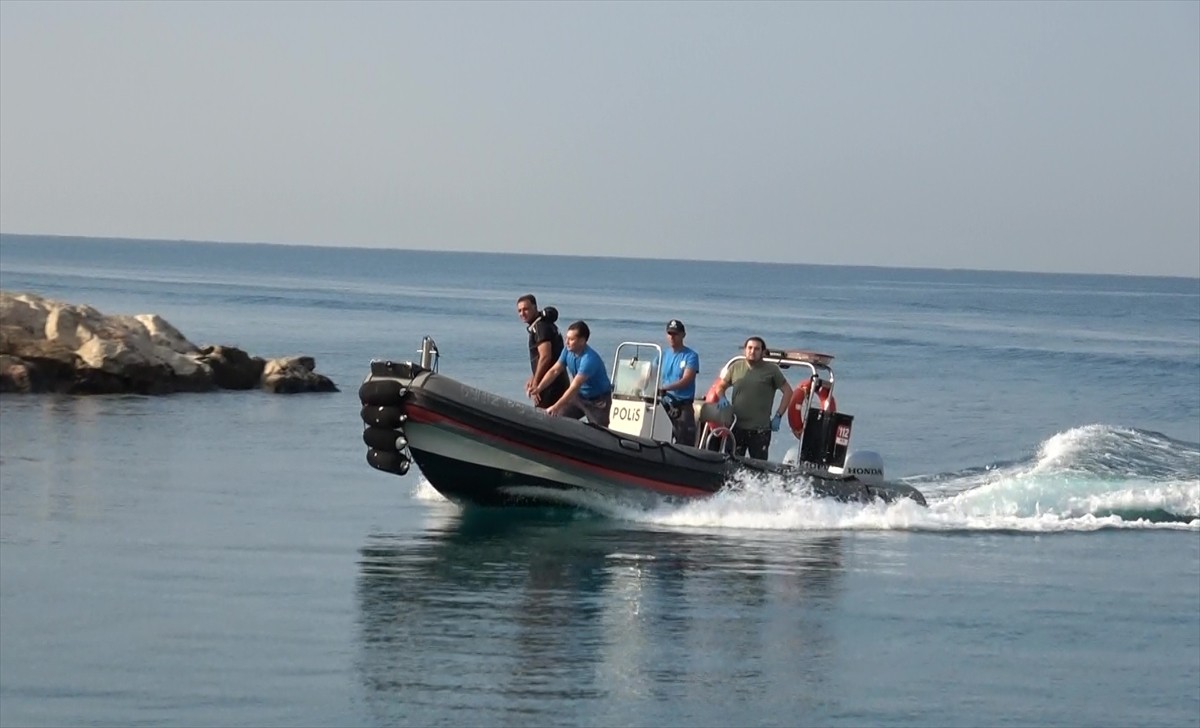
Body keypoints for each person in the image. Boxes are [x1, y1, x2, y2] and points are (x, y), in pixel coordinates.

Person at [711, 336, 792, 460]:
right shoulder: (736, 367)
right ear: (745, 350)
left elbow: (788, 392)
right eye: (749, 348)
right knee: (730, 463)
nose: (752, 351)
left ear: (763, 352)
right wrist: (722, 398)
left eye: (756, 349)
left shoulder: (772, 370)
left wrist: (779, 415)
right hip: (736, 427)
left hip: (760, 431)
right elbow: (720, 386)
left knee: (759, 468)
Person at [532, 320, 613, 427]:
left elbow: (574, 386)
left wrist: (555, 406)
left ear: (582, 341)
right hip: (579, 396)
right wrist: (538, 388)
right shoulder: (567, 351)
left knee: (600, 432)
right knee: (558, 417)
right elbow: (554, 371)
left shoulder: (589, 360)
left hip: (598, 401)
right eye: (567, 338)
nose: (567, 342)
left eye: (571, 339)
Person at [517, 294, 569, 410]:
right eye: (519, 310)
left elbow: (546, 357)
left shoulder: (540, 327)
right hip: (556, 380)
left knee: (545, 418)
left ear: (535, 308)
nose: (522, 313)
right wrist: (534, 376)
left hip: (551, 385)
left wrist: (536, 384)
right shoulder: (543, 324)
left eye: (526, 309)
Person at [657, 319, 700, 446]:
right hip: (664, 404)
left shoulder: (690, 356)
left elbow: (687, 379)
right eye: (670, 333)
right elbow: (649, 371)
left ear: (683, 335)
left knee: (685, 442)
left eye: (675, 334)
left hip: (682, 405)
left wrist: (665, 387)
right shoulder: (662, 354)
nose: (672, 337)